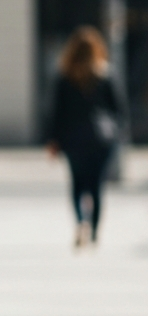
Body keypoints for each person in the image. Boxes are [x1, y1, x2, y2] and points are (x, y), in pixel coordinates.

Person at [47, 26, 121, 247]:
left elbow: (57, 113)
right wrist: (117, 134)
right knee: (96, 186)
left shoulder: (64, 77)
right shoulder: (105, 75)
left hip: (73, 139)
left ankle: (81, 222)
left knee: (78, 184)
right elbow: (118, 110)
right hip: (100, 140)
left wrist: (53, 140)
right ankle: (95, 230)